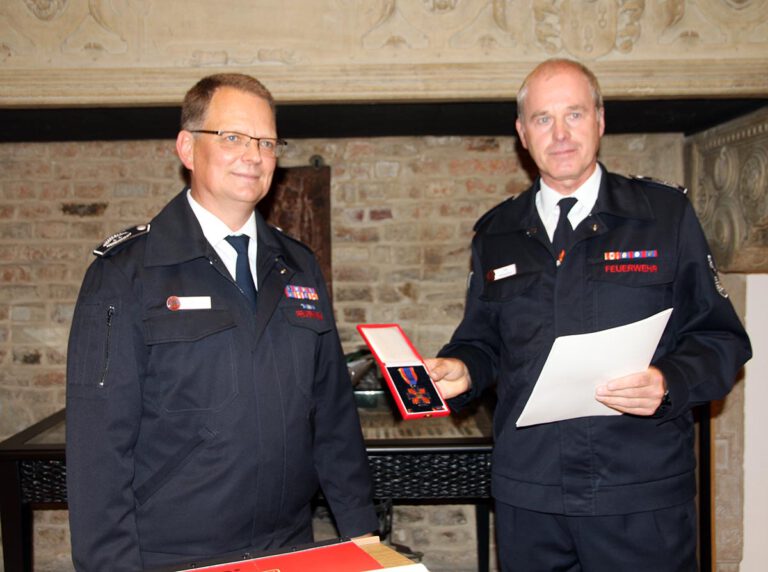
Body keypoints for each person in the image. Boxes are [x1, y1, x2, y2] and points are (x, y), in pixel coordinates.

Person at [425, 58, 751, 571]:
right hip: (530, 498)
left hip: (639, 496)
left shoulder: (664, 216)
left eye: (574, 115)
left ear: (600, 120)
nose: (560, 134)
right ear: (521, 134)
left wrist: (669, 380)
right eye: (542, 119)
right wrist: (460, 368)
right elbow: (482, 340)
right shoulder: (497, 232)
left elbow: (721, 339)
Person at [66, 73, 378, 571]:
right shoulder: (126, 274)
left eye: (267, 142)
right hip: (174, 556)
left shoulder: (299, 266)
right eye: (232, 137)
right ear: (187, 148)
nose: (254, 155)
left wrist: (363, 534)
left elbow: (333, 418)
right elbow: (97, 452)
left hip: (289, 549)